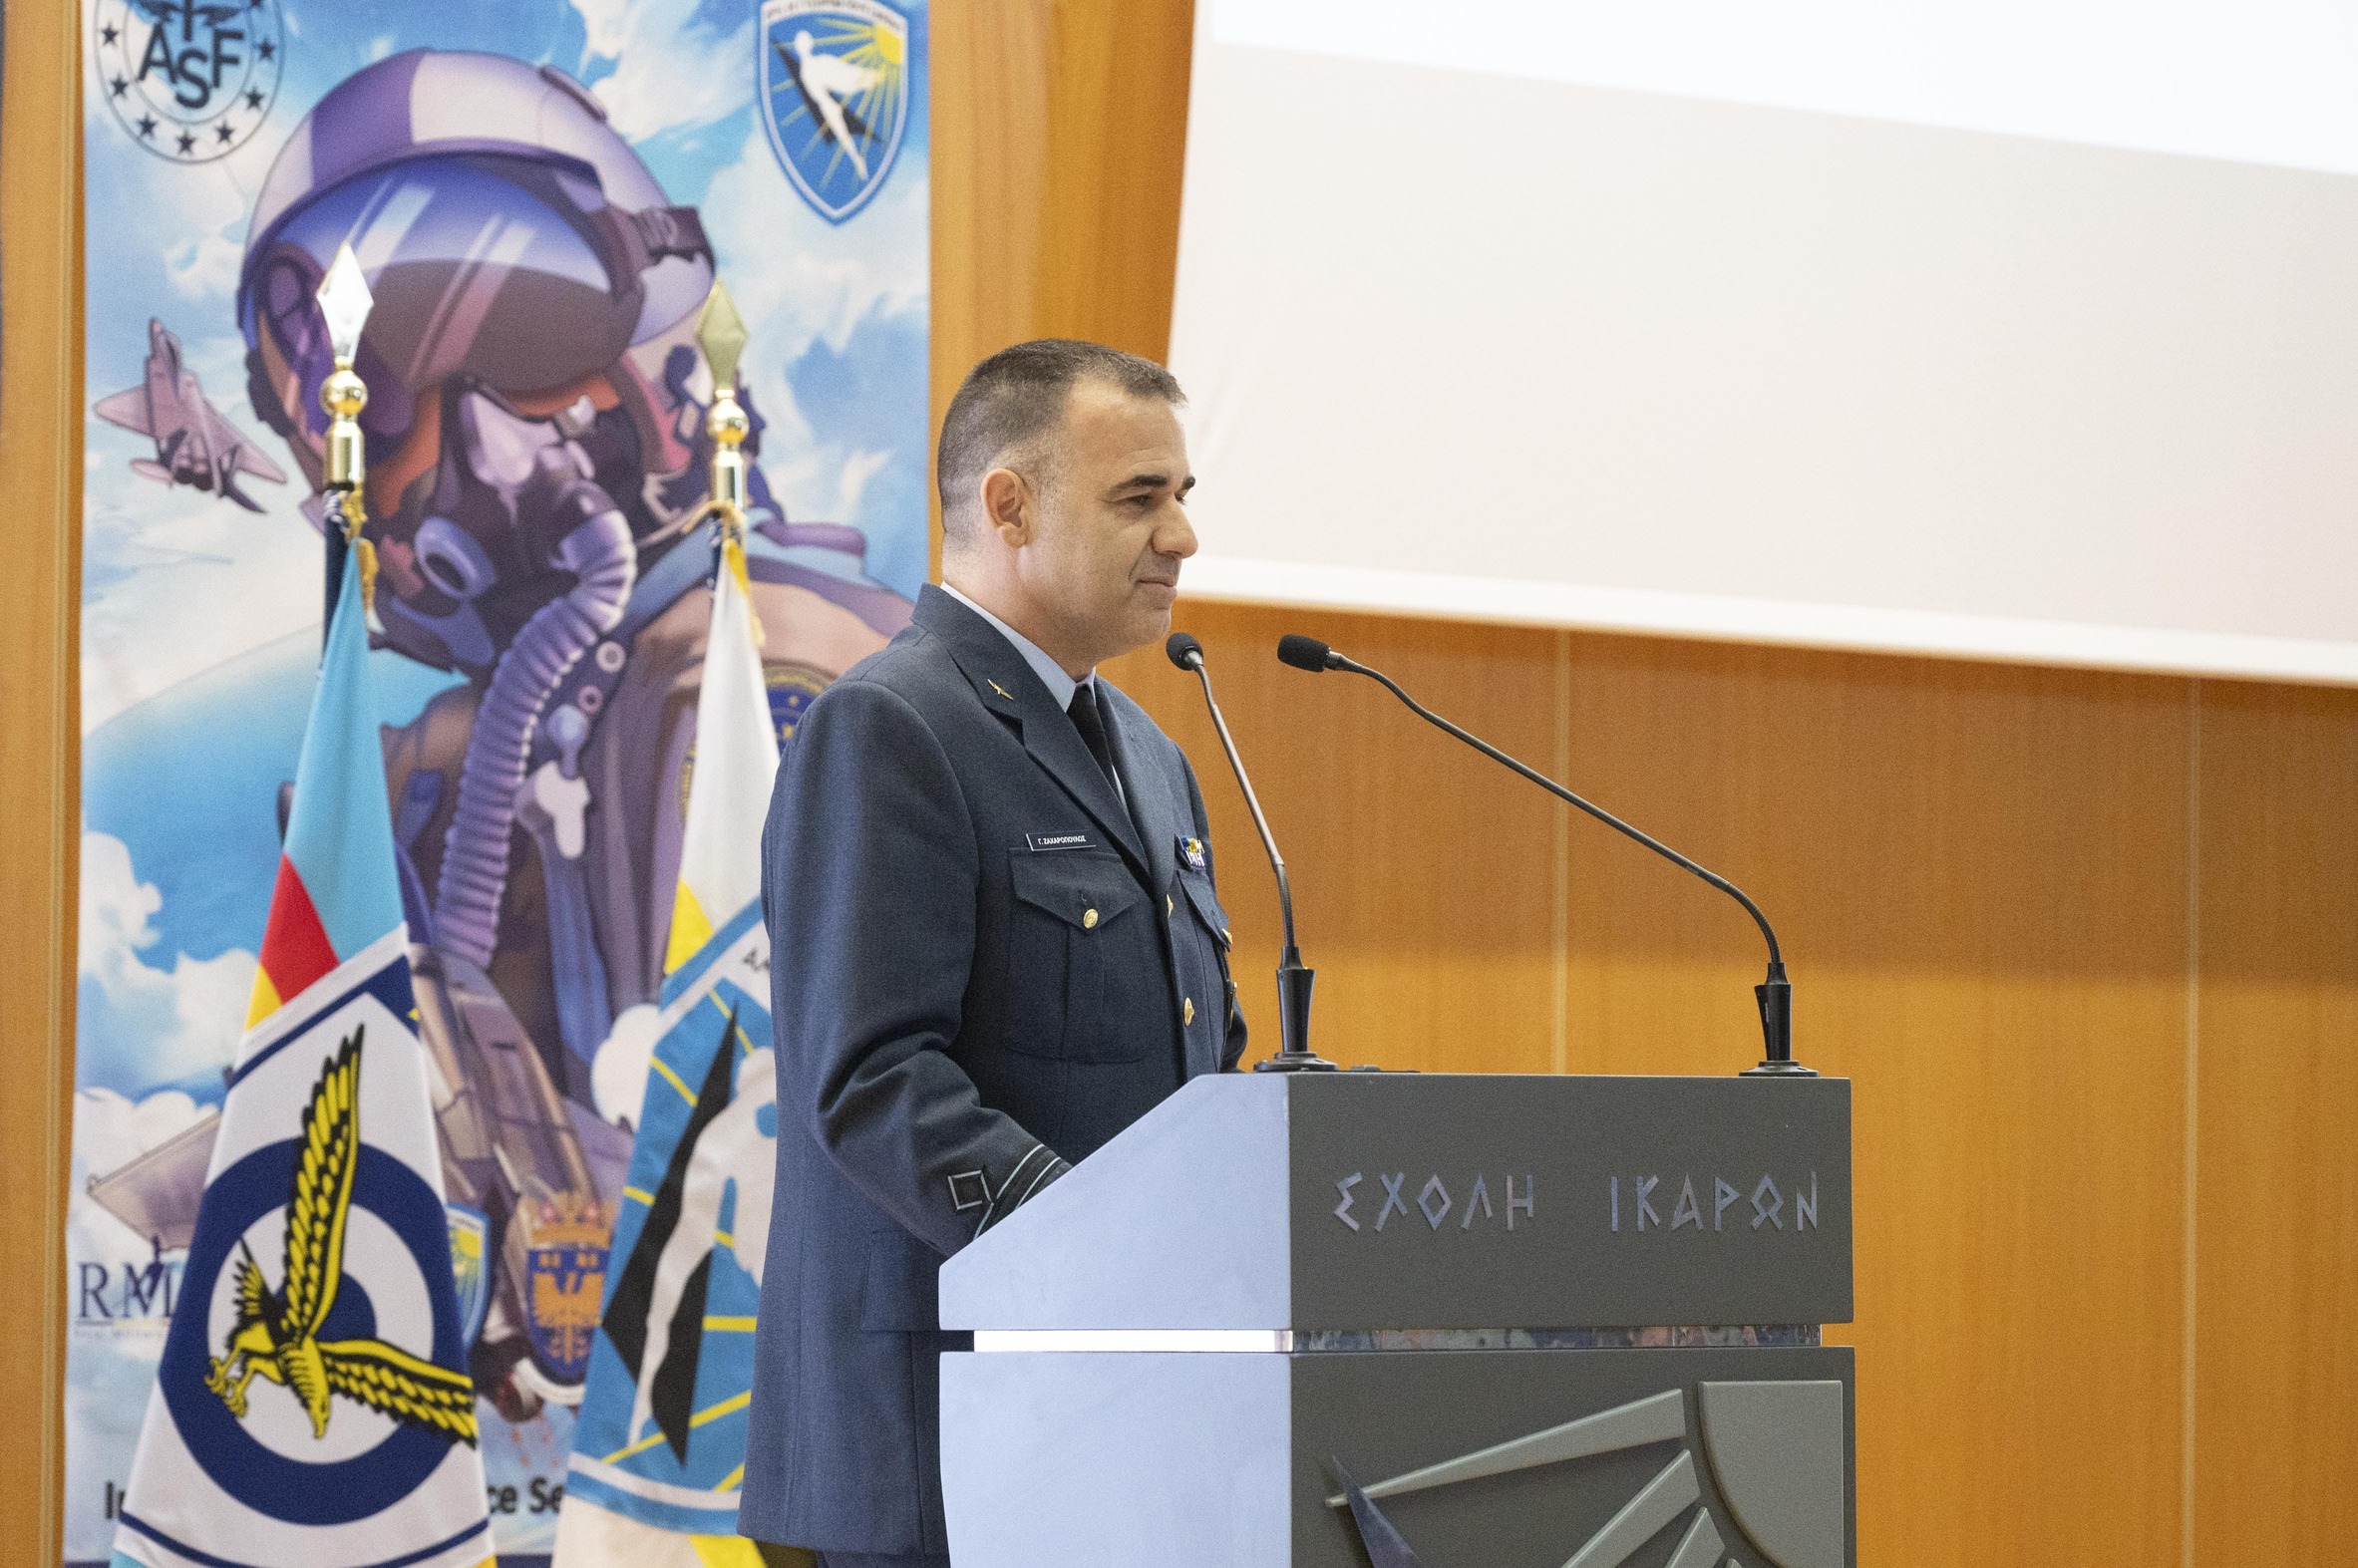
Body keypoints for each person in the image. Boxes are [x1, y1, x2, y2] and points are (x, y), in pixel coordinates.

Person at [739, 340, 1250, 1566]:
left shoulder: (1152, 756)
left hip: (1114, 1425)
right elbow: (871, 1081)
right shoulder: (889, 725)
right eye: (1139, 497)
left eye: (1183, 495)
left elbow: (1191, 1062)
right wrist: (1097, 1244)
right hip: (932, 1446)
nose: (1181, 536)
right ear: (1008, 505)